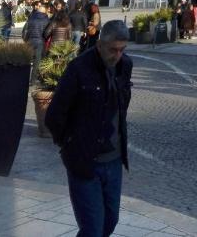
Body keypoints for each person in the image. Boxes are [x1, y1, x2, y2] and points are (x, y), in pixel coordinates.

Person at [45, 20, 132, 237]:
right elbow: (54, 116)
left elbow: (122, 105)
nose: (117, 55)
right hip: (85, 162)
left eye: (122, 50)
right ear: (100, 44)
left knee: (110, 221)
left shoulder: (125, 66)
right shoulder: (79, 69)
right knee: (92, 228)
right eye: (113, 50)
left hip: (113, 160)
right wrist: (70, 145)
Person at [23, 1, 50, 84]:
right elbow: (47, 33)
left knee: (27, 60)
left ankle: (24, 77)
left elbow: (25, 30)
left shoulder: (31, 18)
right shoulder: (46, 20)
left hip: (30, 40)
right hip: (40, 42)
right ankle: (33, 80)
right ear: (44, 11)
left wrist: (25, 39)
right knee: (36, 62)